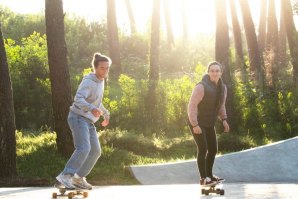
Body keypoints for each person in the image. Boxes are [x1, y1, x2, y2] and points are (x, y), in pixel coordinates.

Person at [56, 52, 111, 190]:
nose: (105, 71)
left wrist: (105, 112)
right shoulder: (89, 81)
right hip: (78, 117)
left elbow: (96, 101)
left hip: (88, 121)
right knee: (84, 148)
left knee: (95, 151)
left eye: (107, 68)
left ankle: (78, 178)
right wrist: (92, 108)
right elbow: (78, 99)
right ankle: (66, 175)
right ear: (95, 68)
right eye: (102, 68)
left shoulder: (101, 81)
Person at [187, 61, 230, 187]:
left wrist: (224, 120)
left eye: (217, 70)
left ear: (221, 72)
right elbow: (192, 106)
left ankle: (209, 176)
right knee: (203, 148)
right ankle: (203, 178)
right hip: (197, 122)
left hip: (209, 123)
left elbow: (221, 106)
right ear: (208, 72)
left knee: (213, 149)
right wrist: (195, 124)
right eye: (212, 70)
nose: (215, 73)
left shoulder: (223, 88)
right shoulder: (201, 86)